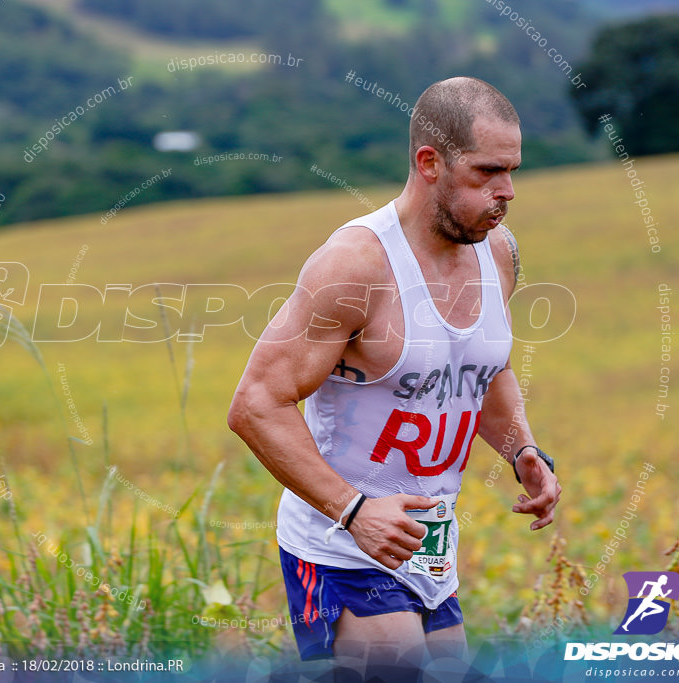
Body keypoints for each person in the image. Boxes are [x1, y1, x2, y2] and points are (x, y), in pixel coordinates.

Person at [227, 76, 562, 672]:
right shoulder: (355, 265)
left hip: (429, 549)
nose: (506, 191)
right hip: (339, 545)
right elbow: (256, 403)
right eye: (486, 172)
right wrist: (352, 510)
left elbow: (482, 367)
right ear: (429, 162)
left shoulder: (500, 250)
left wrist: (522, 449)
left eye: (512, 171)